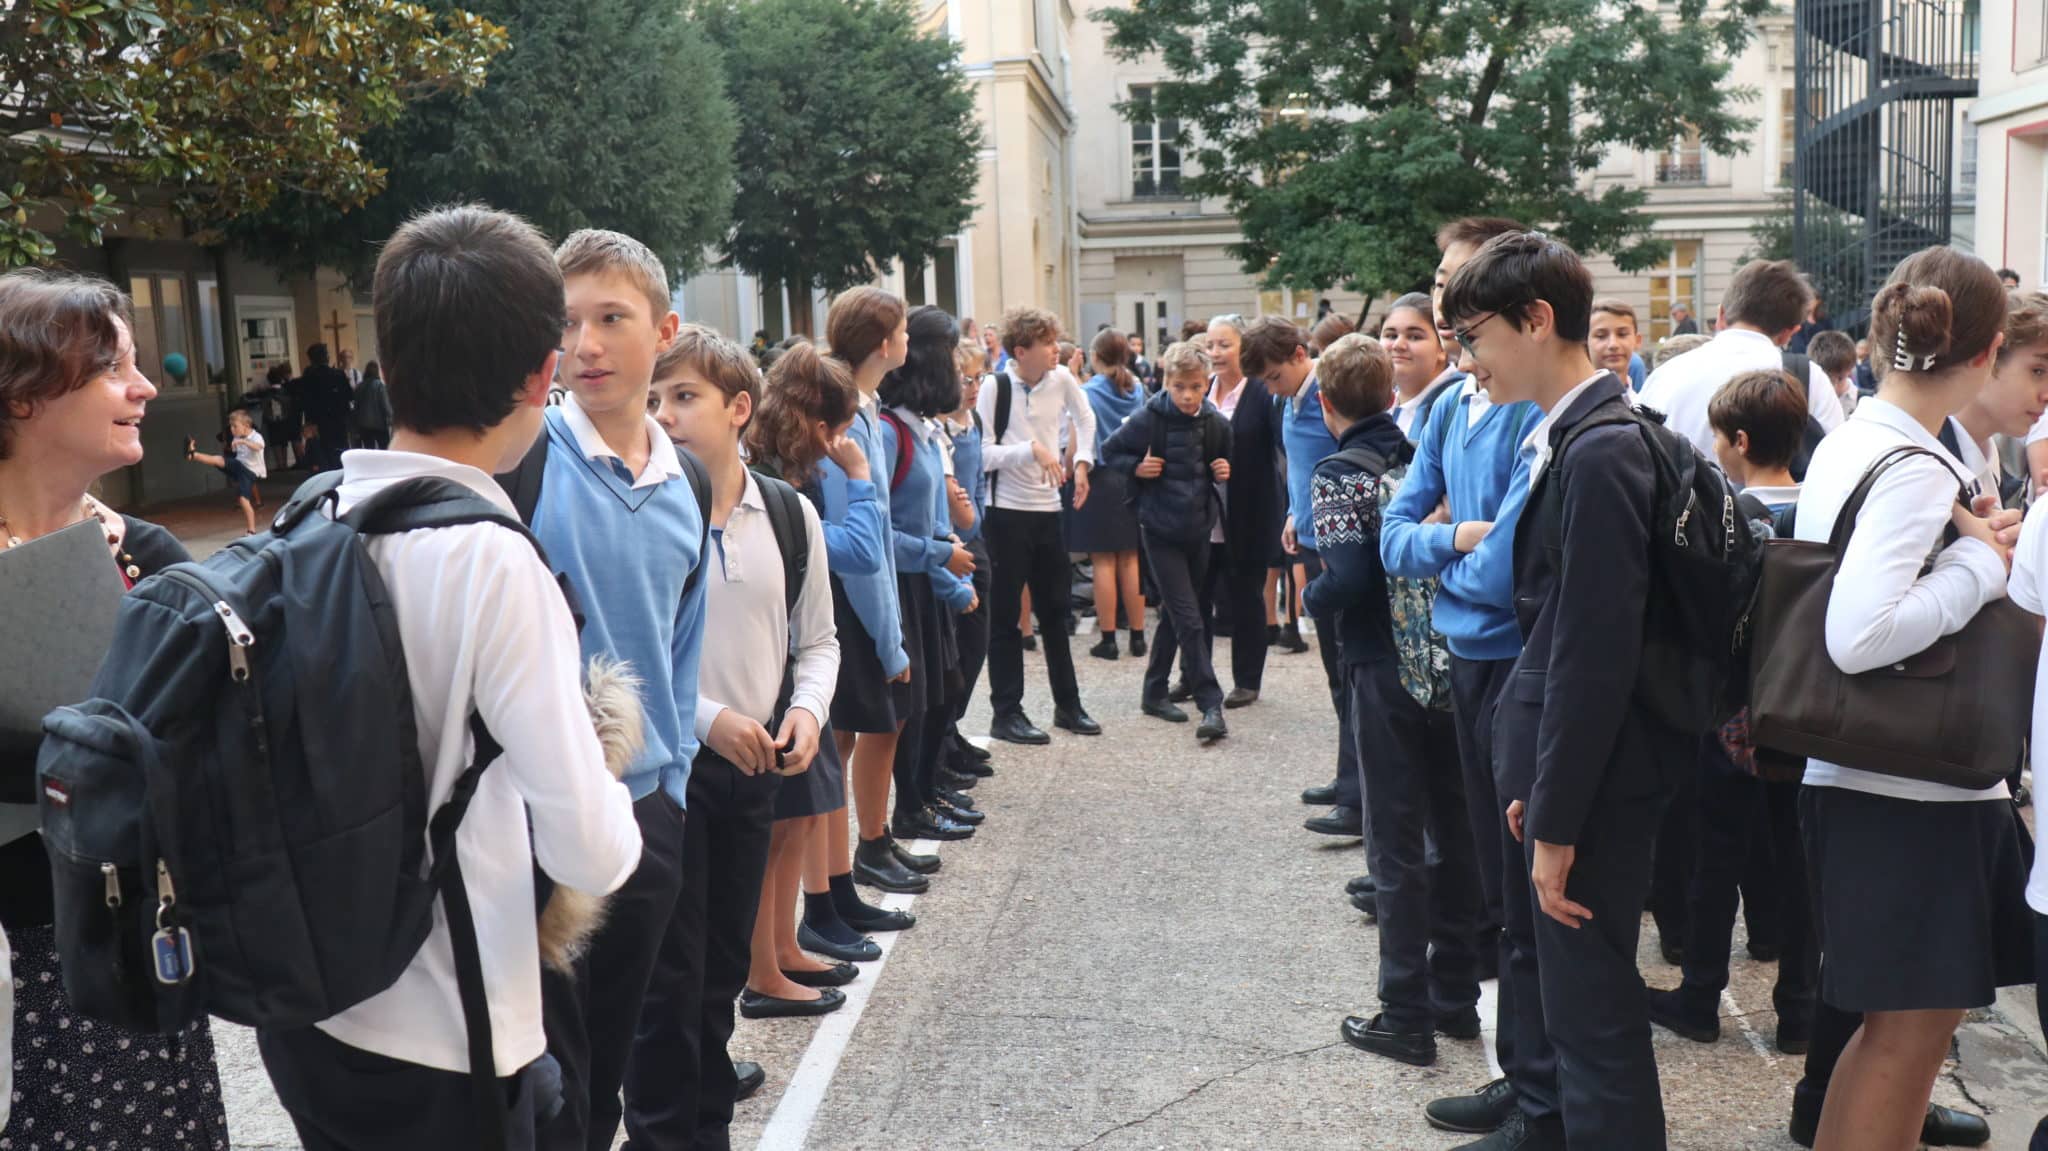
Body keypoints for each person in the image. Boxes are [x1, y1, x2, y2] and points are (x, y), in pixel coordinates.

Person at [252, 206, 644, 1151]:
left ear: (387, 364)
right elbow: (592, 850)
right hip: (449, 1031)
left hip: (309, 1008)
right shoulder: (491, 560)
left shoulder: (312, 512)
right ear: (542, 376)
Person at [1437, 230, 1684, 1150]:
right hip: (1582, 776)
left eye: (1474, 334)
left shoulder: (1600, 449)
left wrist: (1557, 822)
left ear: (1536, 320)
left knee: (1595, 1026)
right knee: (1583, 1016)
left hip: (1598, 786)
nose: (1469, 357)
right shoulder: (1586, 435)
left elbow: (1592, 655)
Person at [1788, 247, 2032, 1151]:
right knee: (1908, 1036)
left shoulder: (1864, 433)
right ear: (1989, 346)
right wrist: (1978, 564)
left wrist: (1962, 545)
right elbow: (1861, 631)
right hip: (1907, 788)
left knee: (1889, 1032)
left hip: (1872, 777)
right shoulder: (1915, 462)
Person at [0, 268, 232, 1151]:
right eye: (114, 369)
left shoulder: (148, 558)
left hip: (125, 941)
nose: (146, 388)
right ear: (24, 395)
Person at [495, 228, 707, 1151]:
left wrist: (675, 794)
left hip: (648, 816)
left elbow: (683, 649)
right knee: (551, 1090)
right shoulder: (523, 461)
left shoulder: (688, 478)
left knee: (614, 1073)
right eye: (567, 320)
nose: (584, 343)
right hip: (539, 831)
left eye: (610, 318)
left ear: (663, 330)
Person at [648, 326, 841, 1134]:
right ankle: (665, 1128)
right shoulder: (648, 513)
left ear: (738, 408)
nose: (665, 415)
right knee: (667, 984)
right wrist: (708, 719)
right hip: (667, 771)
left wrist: (804, 709)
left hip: (753, 769)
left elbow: (819, 640)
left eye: (684, 397)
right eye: (655, 400)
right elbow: (621, 654)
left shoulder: (789, 514)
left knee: (723, 970)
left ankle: (708, 1124)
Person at [1387, 214, 1541, 1120]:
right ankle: (1523, 1072)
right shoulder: (1452, 403)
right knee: (1494, 879)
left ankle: (1535, 1084)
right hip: (1468, 655)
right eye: (1440, 277)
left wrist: (1448, 550)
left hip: (1518, 662)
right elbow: (1395, 533)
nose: (1442, 295)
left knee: (1525, 885)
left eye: (1456, 279)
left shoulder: (1527, 405)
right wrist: (1453, 535)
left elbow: (1509, 564)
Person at [1305, 332, 1483, 1069]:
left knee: (1395, 840)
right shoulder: (1418, 455)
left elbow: (1345, 578)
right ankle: (1456, 997)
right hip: (1445, 662)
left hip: (1382, 667)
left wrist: (1310, 596)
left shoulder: (1337, 473)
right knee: (1457, 829)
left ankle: (1403, 1010)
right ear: (1389, 395)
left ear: (1325, 404)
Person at [1647, 369, 1816, 1056]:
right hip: (1806, 716)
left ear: (1739, 440)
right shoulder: (1822, 509)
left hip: (1736, 715)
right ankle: (1799, 1007)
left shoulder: (1731, 513)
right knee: (1801, 863)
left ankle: (1699, 993)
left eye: (1717, 435)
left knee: (1715, 857)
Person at [743, 337, 877, 1014]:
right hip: (776, 666)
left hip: (798, 668)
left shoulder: (790, 470)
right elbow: (851, 551)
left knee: (797, 820)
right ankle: (763, 970)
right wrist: (861, 482)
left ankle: (784, 948)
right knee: (777, 825)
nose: (843, 439)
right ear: (812, 422)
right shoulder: (772, 473)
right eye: (836, 426)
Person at [1236, 315, 1365, 838]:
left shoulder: (1325, 397)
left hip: (1337, 547)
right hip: (1308, 538)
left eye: (1273, 375)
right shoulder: (1284, 399)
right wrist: (1294, 513)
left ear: (1296, 354)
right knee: (1336, 675)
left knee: (1350, 672)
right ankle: (1348, 778)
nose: (1270, 386)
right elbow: (1299, 468)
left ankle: (1358, 797)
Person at [875, 307, 979, 844]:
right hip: (908, 584)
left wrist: (947, 562)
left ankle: (924, 795)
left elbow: (939, 517)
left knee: (939, 696)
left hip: (929, 579)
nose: (960, 366)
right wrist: (943, 559)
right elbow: (883, 533)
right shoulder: (892, 430)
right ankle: (909, 809)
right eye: (953, 355)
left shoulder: (918, 424)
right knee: (913, 711)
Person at [980, 306, 1102, 744]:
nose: (1056, 350)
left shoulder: (1063, 379)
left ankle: (1068, 706)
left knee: (1056, 612)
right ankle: (1006, 713)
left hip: (1048, 511)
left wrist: (1083, 462)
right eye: (1047, 343)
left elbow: (1086, 419)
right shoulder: (994, 387)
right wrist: (1030, 449)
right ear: (1020, 351)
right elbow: (981, 454)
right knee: (1006, 617)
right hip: (1005, 514)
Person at [1099, 340, 1231, 743]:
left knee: (1182, 614)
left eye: (1195, 386)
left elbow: (1222, 462)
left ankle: (1154, 691)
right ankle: (1211, 702)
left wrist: (1224, 469)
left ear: (1206, 382)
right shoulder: (1149, 418)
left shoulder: (1215, 422)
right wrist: (1138, 468)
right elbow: (1110, 452)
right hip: (1159, 531)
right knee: (1190, 617)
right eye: (1179, 387)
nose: (1188, 395)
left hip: (1198, 529)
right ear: (1166, 383)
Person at [1638, 258, 1846, 458]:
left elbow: (1637, 451)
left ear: (1721, 315)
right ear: (1789, 332)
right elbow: (1836, 460)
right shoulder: (1809, 379)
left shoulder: (1665, 375)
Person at [1199, 313, 1279, 708]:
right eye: (1210, 345)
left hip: (1248, 514)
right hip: (1201, 516)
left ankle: (1247, 679)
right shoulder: (1200, 390)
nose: (1215, 352)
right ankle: (1196, 676)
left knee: (1247, 596)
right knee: (1197, 599)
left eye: (1224, 344)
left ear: (1244, 347)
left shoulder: (1263, 393)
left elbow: (1278, 451)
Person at [937, 339, 997, 790]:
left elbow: (975, 487)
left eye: (980, 378)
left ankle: (951, 729)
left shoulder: (971, 419)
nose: (975, 387)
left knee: (977, 644)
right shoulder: (939, 429)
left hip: (976, 536)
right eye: (967, 379)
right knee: (957, 648)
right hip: (955, 541)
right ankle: (941, 739)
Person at [1073, 328, 1147, 660]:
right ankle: (1138, 634)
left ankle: (1108, 638)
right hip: (1132, 475)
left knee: (1103, 560)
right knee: (1131, 559)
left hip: (1101, 476)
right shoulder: (1138, 388)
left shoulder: (1089, 391)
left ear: (1096, 355)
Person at [183, 408, 266, 535]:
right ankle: (192, 455)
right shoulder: (236, 438)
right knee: (218, 459)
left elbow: (258, 447)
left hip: (250, 472)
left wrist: (243, 441)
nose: (232, 430)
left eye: (235, 426)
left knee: (244, 500)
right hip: (239, 467)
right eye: (231, 427)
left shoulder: (256, 437)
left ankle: (251, 530)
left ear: (246, 426)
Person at [296, 342, 355, 471]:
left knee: (321, 459)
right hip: (337, 422)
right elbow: (350, 395)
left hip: (317, 423)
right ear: (327, 357)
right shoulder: (338, 375)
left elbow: (302, 401)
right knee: (339, 456)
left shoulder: (308, 378)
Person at [1587, 298, 1646, 391]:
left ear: (1637, 340)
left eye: (1622, 334)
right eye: (1601, 336)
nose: (1613, 344)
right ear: (1585, 343)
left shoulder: (1639, 402)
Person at [1807, 330, 1860, 418]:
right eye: (1824, 379)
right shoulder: (1806, 401)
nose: (1832, 388)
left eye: (1840, 379)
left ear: (1850, 370)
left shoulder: (1864, 403)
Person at [354, 359, 394, 450]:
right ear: (377, 371)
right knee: (384, 450)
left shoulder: (359, 386)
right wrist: (392, 420)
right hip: (379, 425)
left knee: (369, 451)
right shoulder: (380, 386)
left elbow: (356, 407)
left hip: (363, 426)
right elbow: (386, 406)